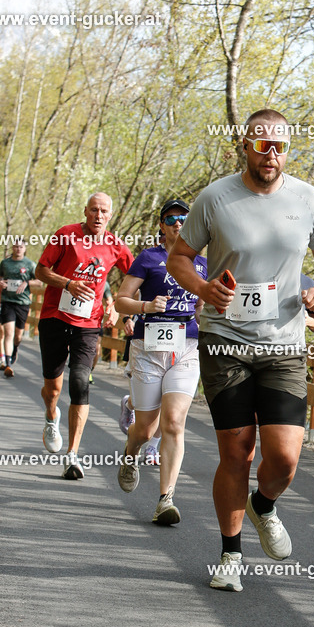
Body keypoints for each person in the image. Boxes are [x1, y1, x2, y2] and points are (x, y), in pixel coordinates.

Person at [167, 108, 314, 591]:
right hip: (225, 340)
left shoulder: (306, 198)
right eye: (262, 144)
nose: (272, 154)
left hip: (284, 341)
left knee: (284, 458)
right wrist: (202, 288)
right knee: (237, 451)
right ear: (245, 146)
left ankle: (264, 504)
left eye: (280, 145)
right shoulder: (215, 198)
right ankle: (229, 554)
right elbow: (181, 257)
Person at [114, 198, 206, 525]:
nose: (178, 223)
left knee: (174, 422)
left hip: (187, 347)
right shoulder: (148, 258)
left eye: (184, 218)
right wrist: (146, 307)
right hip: (148, 347)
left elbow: (206, 304)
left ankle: (165, 499)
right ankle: (130, 453)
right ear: (162, 225)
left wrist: (205, 311)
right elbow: (120, 299)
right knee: (145, 428)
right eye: (171, 219)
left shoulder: (203, 263)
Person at [35, 192, 132, 480]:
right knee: (53, 387)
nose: (98, 216)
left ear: (110, 215)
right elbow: (41, 270)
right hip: (54, 316)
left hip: (88, 324)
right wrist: (68, 283)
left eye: (104, 211)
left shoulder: (116, 245)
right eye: (93, 210)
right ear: (85, 211)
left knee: (79, 382)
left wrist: (118, 306)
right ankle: (51, 416)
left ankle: (73, 455)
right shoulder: (65, 235)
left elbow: (136, 277)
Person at [0, 238, 40, 377]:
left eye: (21, 247)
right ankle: (8, 364)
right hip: (7, 301)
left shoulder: (29, 264)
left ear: (24, 248)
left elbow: (39, 282)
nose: (18, 249)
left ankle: (15, 349)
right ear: (12, 248)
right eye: (15, 246)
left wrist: (27, 283)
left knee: (18, 335)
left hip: (22, 303)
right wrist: (0, 282)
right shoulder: (6, 263)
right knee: (8, 332)